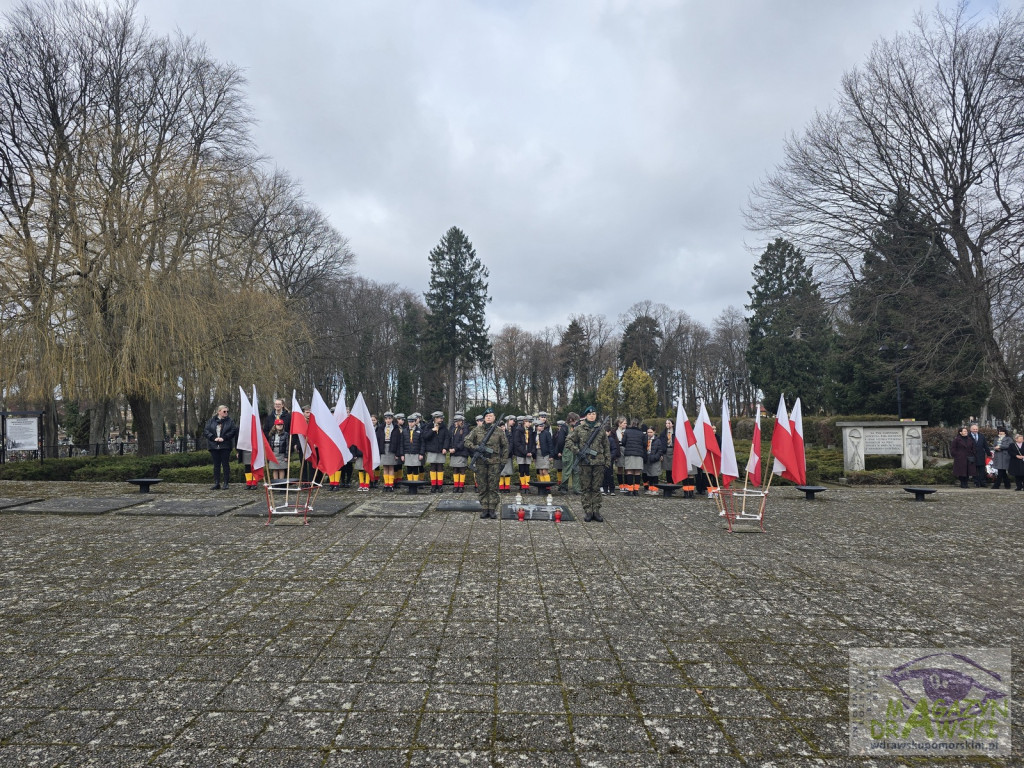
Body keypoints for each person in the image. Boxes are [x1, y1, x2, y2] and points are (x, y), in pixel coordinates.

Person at [566, 406, 611, 522]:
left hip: (598, 462)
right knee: (586, 488)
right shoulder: (579, 428)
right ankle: (588, 511)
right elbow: (568, 441)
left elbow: (606, 446)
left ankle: (596, 511)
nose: (592, 416)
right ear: (586, 416)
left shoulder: (600, 429)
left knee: (596, 488)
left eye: (594, 414)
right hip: (584, 464)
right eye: (590, 414)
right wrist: (577, 451)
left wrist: (607, 461)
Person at [463, 408, 509, 519]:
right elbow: (466, 441)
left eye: (491, 416)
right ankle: (484, 508)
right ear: (484, 418)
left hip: (494, 462)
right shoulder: (476, 430)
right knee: (482, 486)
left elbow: (506, 446)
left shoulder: (499, 431)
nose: (489, 417)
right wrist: (476, 448)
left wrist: (503, 461)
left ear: (494, 418)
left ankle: (492, 509)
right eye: (487, 416)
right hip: (480, 463)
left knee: (493, 486)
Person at [204, 405, 237, 490]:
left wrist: (224, 438)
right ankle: (216, 482)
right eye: (224, 411)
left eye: (227, 411)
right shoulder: (211, 421)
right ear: (219, 412)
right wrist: (213, 438)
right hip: (214, 445)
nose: (226, 413)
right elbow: (206, 431)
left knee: (225, 464)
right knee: (216, 465)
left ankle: (226, 483)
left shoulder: (230, 421)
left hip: (225, 445)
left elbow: (233, 431)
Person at [422, 411, 449, 493]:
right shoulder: (429, 426)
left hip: (441, 450)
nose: (441, 420)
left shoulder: (444, 427)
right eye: (440, 418)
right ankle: (433, 485)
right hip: (432, 449)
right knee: (433, 467)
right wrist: (432, 430)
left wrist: (445, 448)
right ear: (435, 418)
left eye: (442, 418)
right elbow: (425, 437)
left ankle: (440, 486)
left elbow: (447, 438)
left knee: (440, 467)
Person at [376, 411, 401, 492]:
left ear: (392, 419)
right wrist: (379, 451)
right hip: (384, 447)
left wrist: (397, 453)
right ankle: (386, 484)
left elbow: (398, 441)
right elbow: (378, 439)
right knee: (385, 467)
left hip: (392, 447)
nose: (388, 420)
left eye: (390, 419)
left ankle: (391, 484)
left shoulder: (396, 428)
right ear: (384, 419)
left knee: (391, 467)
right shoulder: (381, 427)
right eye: (386, 419)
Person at [620, 418, 646, 496]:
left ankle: (630, 490)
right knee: (637, 472)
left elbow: (623, 442)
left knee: (629, 471)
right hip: (639, 453)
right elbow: (645, 444)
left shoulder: (627, 432)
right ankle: (636, 490)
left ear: (631, 424)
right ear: (638, 424)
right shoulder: (641, 433)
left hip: (629, 453)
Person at [447, 413, 470, 493]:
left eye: (457, 421)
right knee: (455, 469)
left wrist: (455, 449)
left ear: (461, 421)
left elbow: (463, 440)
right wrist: (449, 448)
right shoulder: (453, 428)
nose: (455, 422)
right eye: (455, 421)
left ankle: (461, 486)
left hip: (462, 452)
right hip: (453, 451)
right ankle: (456, 485)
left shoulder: (465, 429)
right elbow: (449, 438)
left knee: (462, 469)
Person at [511, 414, 535, 492]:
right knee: (521, 469)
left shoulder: (530, 430)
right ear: (525, 422)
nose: (530, 424)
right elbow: (517, 443)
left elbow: (532, 442)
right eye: (529, 422)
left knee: (527, 469)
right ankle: (522, 485)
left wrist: (531, 452)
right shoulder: (518, 430)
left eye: (531, 422)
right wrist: (525, 452)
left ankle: (526, 486)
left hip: (528, 451)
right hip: (521, 452)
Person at [399, 412, 423, 482]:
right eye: (409, 422)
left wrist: (421, 453)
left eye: (412, 422)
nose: (410, 423)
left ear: (415, 422)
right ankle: (410, 483)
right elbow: (401, 443)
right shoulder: (404, 431)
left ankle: (415, 483)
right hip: (407, 452)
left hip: (416, 453)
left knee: (415, 469)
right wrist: (402, 454)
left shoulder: (420, 431)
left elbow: (422, 443)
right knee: (409, 469)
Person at [643, 425, 666, 494]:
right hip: (647, 459)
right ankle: (650, 489)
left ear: (654, 432)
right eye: (648, 432)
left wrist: (655, 457)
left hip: (655, 459)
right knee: (649, 474)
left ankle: (655, 489)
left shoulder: (658, 440)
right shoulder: (645, 439)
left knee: (655, 474)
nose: (649, 433)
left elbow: (660, 450)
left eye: (651, 432)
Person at [561, 412, 580, 494]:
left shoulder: (576, 428)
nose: (576, 422)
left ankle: (576, 489)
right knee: (566, 470)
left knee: (576, 470)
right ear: (570, 419)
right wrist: (559, 451)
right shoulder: (564, 428)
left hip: (575, 451)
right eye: (575, 420)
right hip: (567, 451)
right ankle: (563, 487)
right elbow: (561, 441)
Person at [969, 423, 990, 487]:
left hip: (981, 455)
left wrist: (989, 453)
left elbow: (985, 445)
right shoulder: (968, 436)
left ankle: (982, 482)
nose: (975, 430)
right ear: (971, 430)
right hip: (972, 455)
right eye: (974, 429)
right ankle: (976, 482)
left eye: (976, 429)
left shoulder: (981, 436)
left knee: (981, 469)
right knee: (974, 470)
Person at [499, 415, 516, 493]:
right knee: (501, 472)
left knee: (507, 472)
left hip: (508, 455)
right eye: (500, 427)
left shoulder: (508, 434)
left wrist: (507, 452)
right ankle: (501, 487)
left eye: (503, 426)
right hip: (499, 456)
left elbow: (511, 444)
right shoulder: (496, 435)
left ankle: (507, 487)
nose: (502, 428)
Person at [602, 422, 620, 494]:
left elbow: (614, 449)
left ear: (609, 432)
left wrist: (610, 457)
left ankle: (612, 489)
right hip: (603, 459)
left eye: (606, 432)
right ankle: (605, 489)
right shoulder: (601, 440)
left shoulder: (611, 440)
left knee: (610, 475)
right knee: (604, 475)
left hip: (609, 460)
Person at [614, 417, 628, 492]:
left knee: (626, 468)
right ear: (619, 424)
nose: (625, 424)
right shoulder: (615, 431)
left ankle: (626, 485)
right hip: (618, 449)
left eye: (626, 423)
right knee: (619, 468)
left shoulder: (627, 431)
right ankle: (621, 485)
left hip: (626, 449)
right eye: (624, 423)